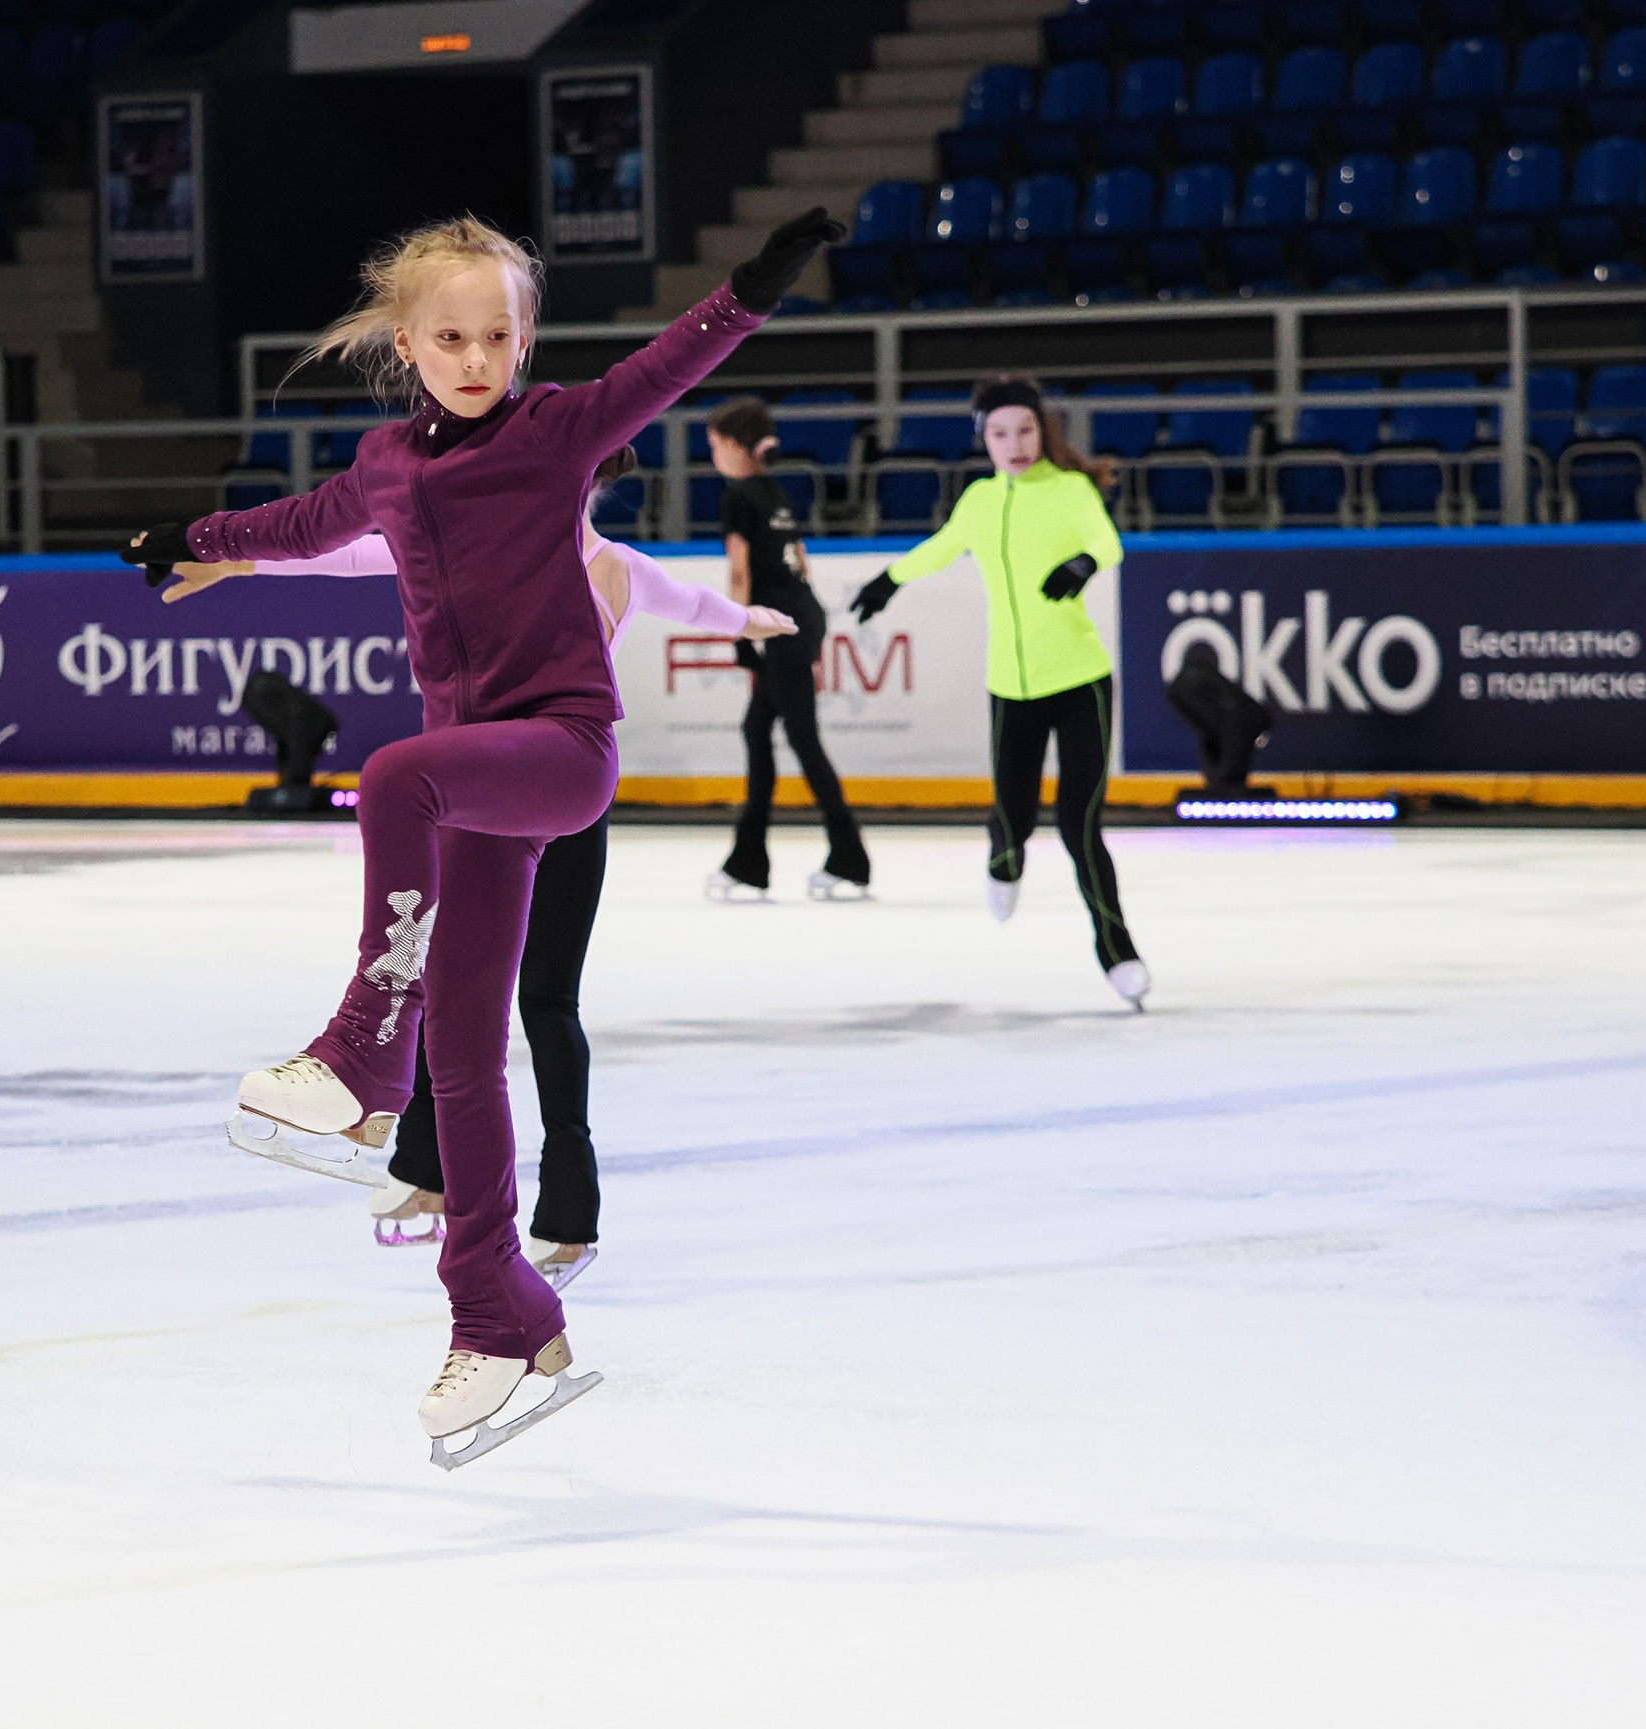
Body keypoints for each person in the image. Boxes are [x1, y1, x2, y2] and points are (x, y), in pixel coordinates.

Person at [124, 206, 842, 1463]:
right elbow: (305, 524)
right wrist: (195, 541)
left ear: (524, 339)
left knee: (393, 774)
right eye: (449, 336)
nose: (474, 357)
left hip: (557, 753)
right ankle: (498, 1310)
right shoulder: (391, 467)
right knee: (466, 1050)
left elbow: (669, 364)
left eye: (497, 335)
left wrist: (751, 289)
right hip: (478, 787)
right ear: (408, 343)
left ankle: (358, 1056)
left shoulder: (561, 431)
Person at [160, 451, 798, 1292]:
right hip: (486, 799)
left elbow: (694, 603)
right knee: (456, 988)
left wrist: (749, 620)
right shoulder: (467, 539)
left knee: (545, 1001)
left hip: (567, 799)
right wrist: (244, 554)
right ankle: (425, 1167)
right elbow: (359, 547)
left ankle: (568, 1214)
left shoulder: (619, 567)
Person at [850, 377, 1152, 1010]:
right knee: (1011, 815)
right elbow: (941, 548)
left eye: (1025, 430)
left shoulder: (1069, 490)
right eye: (999, 433)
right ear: (982, 439)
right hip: (1010, 688)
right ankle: (1005, 862)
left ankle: (1117, 951)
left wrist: (1084, 565)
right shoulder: (981, 502)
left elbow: (1107, 541)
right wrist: (888, 580)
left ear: (1042, 431)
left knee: (1079, 823)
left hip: (1080, 682)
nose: (1014, 444)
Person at [705, 396, 872, 903]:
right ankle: (747, 862)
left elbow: (740, 569)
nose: (713, 456)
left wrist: (741, 630)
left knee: (802, 740)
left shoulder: (738, 495)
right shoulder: (775, 492)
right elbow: (799, 558)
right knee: (758, 729)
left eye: (715, 446)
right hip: (801, 618)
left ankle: (848, 860)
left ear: (736, 446)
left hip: (778, 627)